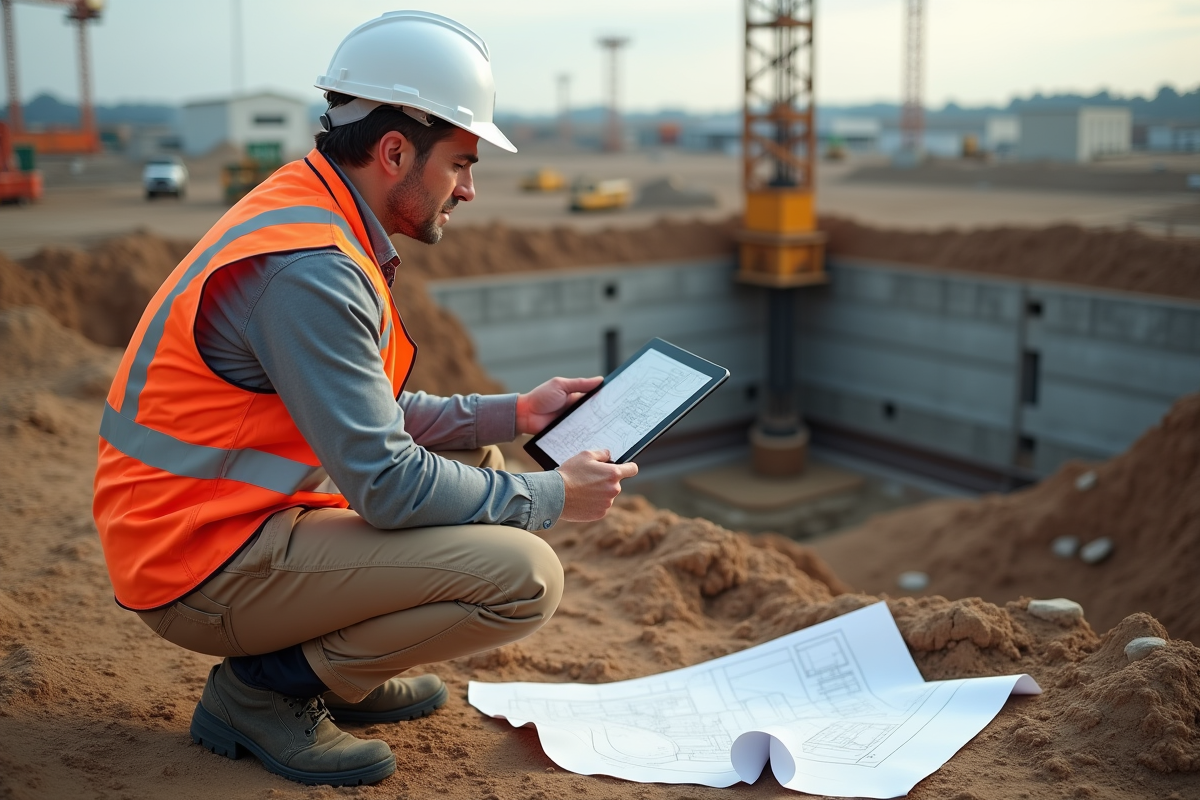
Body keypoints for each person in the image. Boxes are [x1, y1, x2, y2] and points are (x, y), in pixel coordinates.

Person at [92, 11, 637, 788]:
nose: (470, 190)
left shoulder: (314, 210)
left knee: (473, 459)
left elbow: (363, 415)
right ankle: (267, 688)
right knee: (524, 576)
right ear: (393, 151)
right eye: (461, 163)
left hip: (214, 519)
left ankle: (337, 666)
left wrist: (513, 415)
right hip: (194, 562)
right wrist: (552, 494)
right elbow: (385, 482)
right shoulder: (311, 270)